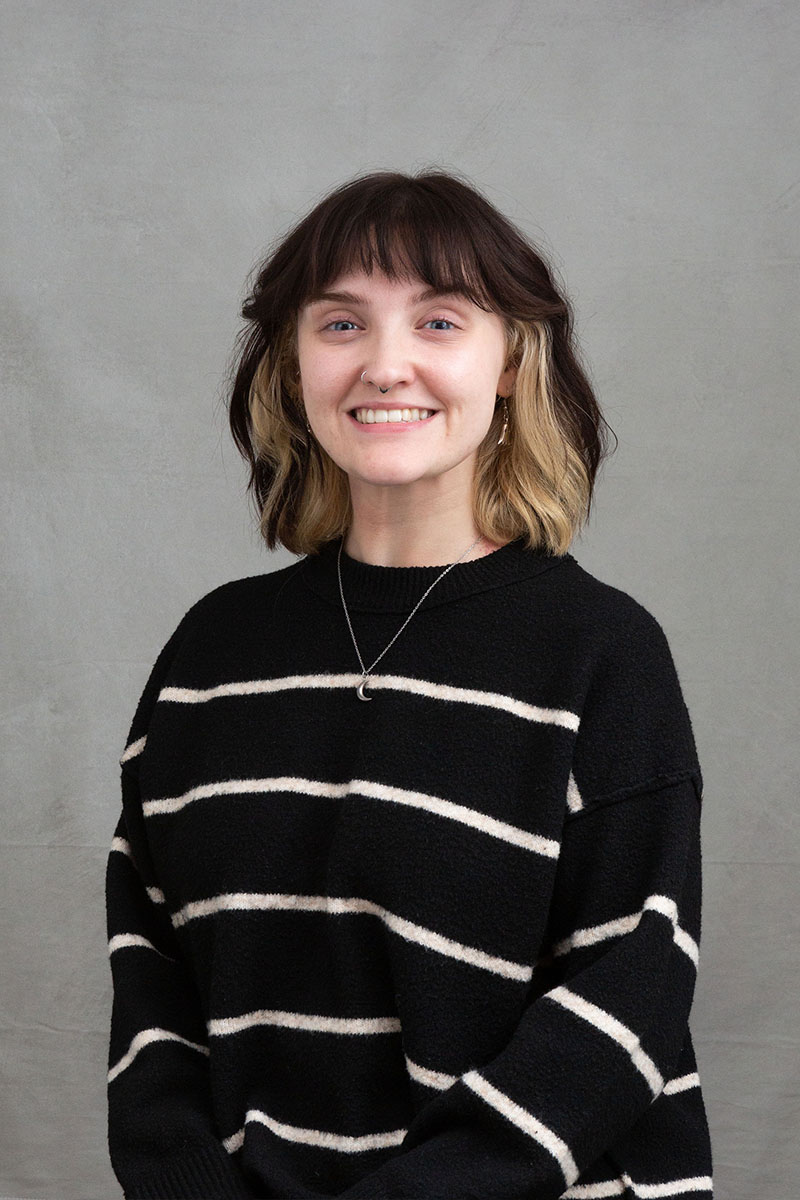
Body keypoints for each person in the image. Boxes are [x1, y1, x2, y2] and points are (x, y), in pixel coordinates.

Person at [105, 169, 713, 1199]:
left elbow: (629, 993)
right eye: (341, 323)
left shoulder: (600, 655)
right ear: (294, 363)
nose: (385, 366)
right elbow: (151, 967)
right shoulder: (211, 653)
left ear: (512, 361)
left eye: (437, 321)